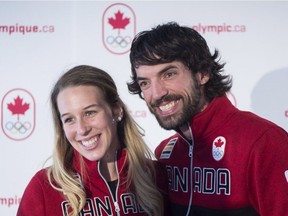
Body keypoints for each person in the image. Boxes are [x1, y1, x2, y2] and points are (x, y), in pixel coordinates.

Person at [127, 22, 288, 216]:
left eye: (169, 74)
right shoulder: (167, 154)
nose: (157, 93)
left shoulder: (262, 142)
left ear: (202, 73)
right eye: (145, 82)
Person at [17, 65, 169, 216]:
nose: (82, 129)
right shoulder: (44, 187)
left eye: (90, 113)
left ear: (116, 110)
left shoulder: (157, 176)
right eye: (69, 119)